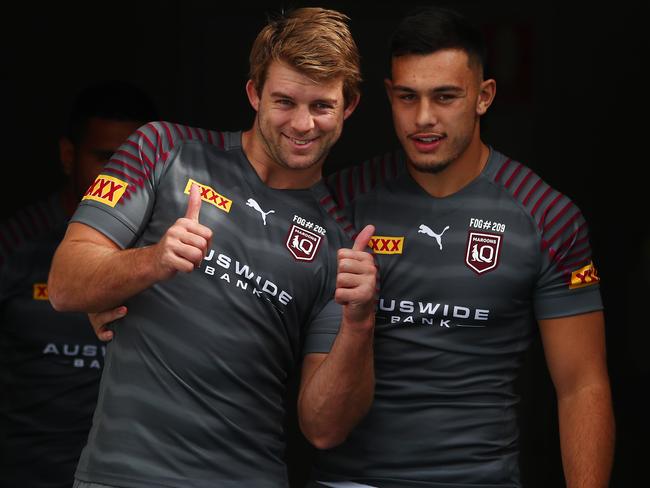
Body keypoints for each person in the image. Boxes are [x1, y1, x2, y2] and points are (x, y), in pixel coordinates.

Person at [47, 8, 377, 488]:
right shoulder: (163, 150)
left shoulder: (341, 244)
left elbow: (324, 428)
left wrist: (361, 323)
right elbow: (63, 284)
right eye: (284, 101)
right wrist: (154, 260)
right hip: (121, 475)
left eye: (322, 106)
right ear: (254, 94)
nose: (304, 124)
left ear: (349, 106)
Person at [310, 6, 615, 488]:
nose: (424, 118)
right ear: (388, 95)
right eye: (407, 97)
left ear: (484, 96)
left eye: (446, 96)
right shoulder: (340, 203)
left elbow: (582, 386)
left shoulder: (548, 217)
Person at [0, 80, 158, 488]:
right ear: (69, 156)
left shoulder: (173, 253)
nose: (121, 176)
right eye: (107, 158)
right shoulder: (15, 245)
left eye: (134, 162)